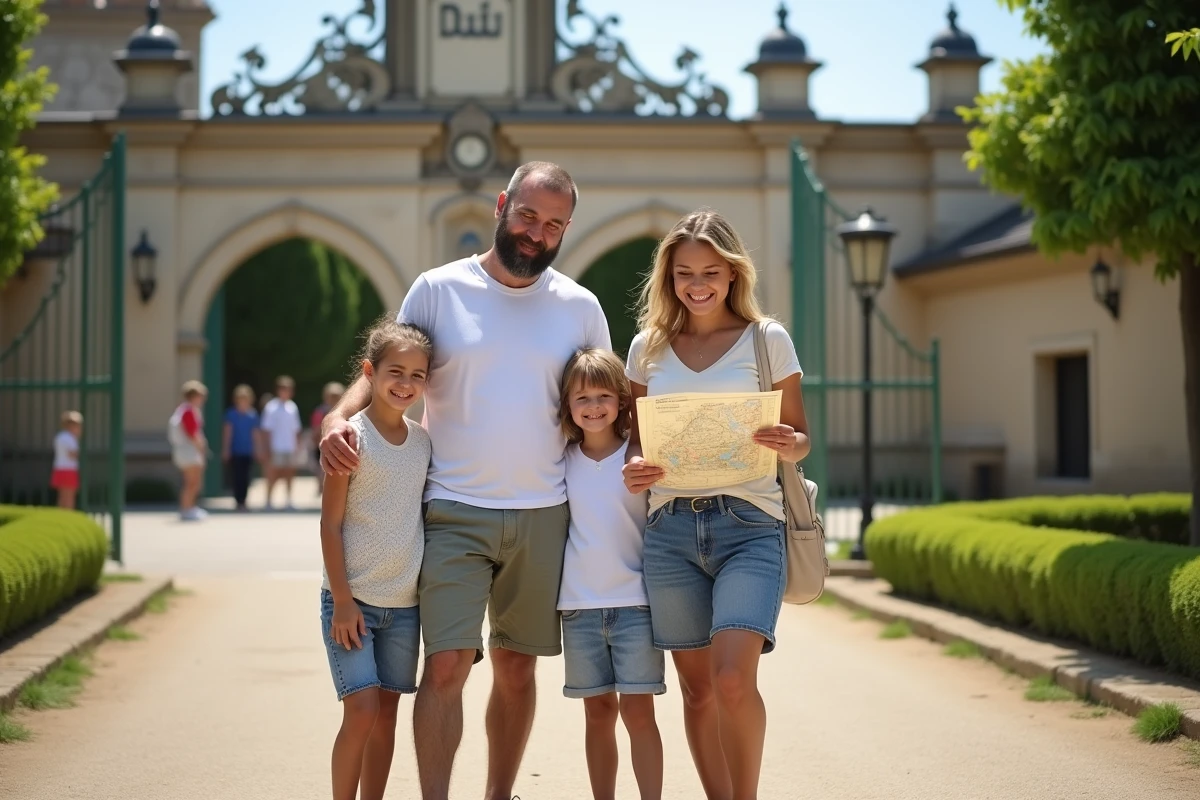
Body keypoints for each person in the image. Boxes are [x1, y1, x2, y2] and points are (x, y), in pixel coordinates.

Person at [320, 161, 610, 800]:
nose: (537, 233)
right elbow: (385, 364)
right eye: (528, 215)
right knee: (447, 664)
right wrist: (338, 418)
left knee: (516, 668)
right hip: (452, 507)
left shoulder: (581, 307)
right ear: (502, 204)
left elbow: (605, 402)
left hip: (545, 511)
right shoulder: (437, 289)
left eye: (554, 224)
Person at [621, 209, 810, 800]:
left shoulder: (767, 340)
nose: (697, 284)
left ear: (732, 273)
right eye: (684, 273)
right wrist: (635, 466)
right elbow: (635, 440)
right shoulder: (647, 349)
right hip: (670, 531)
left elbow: (802, 437)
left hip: (750, 526)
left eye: (710, 272)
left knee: (731, 679)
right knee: (697, 690)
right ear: (668, 277)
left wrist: (789, 443)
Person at [319, 319, 433, 800]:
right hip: (352, 605)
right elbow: (330, 525)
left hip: (404, 609)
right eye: (395, 372)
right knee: (362, 710)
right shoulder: (350, 438)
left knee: (386, 715)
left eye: (417, 375)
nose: (405, 384)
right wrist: (343, 601)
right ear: (370, 372)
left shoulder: (423, 443)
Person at [558, 349, 663, 800]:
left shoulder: (640, 458)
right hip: (579, 608)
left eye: (603, 395)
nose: (593, 406)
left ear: (622, 400)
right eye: (582, 397)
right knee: (597, 713)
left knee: (639, 714)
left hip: (636, 606)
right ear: (567, 405)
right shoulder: (560, 460)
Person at [168, 380, 210, 522]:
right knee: (192, 483)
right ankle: (186, 509)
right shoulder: (188, 411)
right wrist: (201, 448)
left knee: (192, 482)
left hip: (186, 452)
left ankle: (190, 507)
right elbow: (192, 433)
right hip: (189, 452)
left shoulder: (184, 410)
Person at [261, 375, 303, 510]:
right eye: (283, 389)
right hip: (276, 446)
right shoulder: (271, 407)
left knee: (289, 473)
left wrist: (297, 447)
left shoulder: (293, 407)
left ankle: (288, 501)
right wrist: (266, 447)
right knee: (272, 474)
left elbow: (296, 429)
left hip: (289, 447)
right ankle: (268, 501)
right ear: (278, 390)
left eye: (288, 389)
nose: (286, 392)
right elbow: (266, 429)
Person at [222, 384, 260, 512]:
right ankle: (237, 500)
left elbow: (255, 434)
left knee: (246, 477)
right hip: (236, 450)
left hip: (248, 450)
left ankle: (244, 501)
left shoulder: (252, 415)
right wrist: (226, 449)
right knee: (236, 477)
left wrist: (257, 449)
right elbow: (228, 433)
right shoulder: (231, 414)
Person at [312, 382, 346, 495]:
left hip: (340, 445)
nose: (333, 399)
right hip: (323, 445)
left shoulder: (345, 411)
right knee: (323, 470)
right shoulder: (321, 411)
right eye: (331, 396)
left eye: (336, 396)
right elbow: (316, 429)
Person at [50, 410, 83, 510]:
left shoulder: (60, 437)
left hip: (60, 469)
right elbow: (72, 454)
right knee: (69, 498)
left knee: (62, 497)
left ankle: (62, 515)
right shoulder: (69, 438)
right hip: (68, 470)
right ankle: (68, 515)